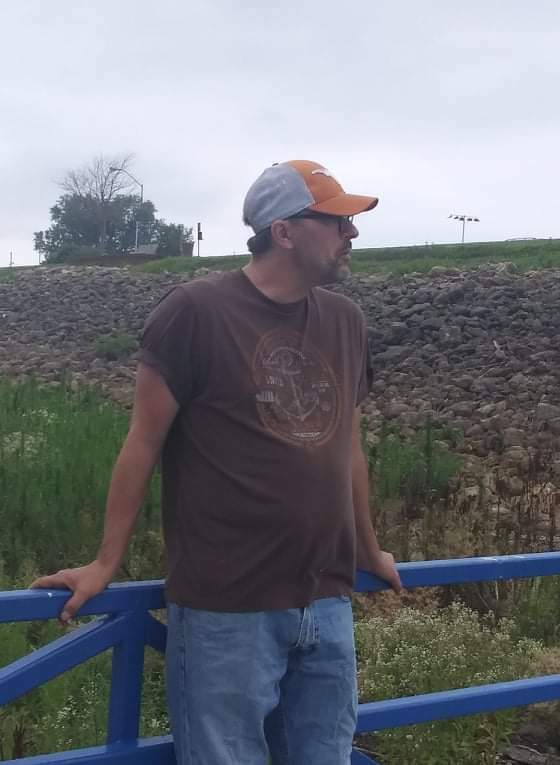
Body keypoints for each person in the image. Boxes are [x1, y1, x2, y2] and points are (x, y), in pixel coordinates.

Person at [32, 159, 402, 764]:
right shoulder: (195, 312)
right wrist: (105, 562)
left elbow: (348, 450)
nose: (351, 233)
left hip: (326, 599)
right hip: (226, 611)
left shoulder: (346, 321)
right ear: (284, 231)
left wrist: (369, 550)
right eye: (337, 222)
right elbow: (142, 444)